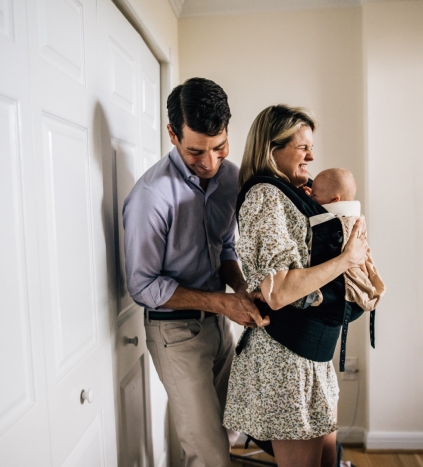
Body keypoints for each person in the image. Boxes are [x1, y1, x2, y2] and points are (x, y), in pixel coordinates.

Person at [122, 77, 267, 467]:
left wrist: (241, 289)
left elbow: (226, 246)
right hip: (174, 335)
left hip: (219, 327)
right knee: (210, 456)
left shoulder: (230, 179)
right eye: (195, 152)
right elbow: (142, 285)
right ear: (172, 134)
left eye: (219, 147)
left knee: (227, 434)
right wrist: (222, 301)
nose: (210, 163)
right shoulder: (150, 199)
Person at [223, 105, 370, 467]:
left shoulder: (292, 194)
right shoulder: (264, 196)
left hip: (309, 355)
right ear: (272, 149)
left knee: (326, 460)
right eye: (302, 147)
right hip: (286, 359)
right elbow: (278, 291)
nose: (312, 155)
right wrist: (346, 260)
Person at [307, 168, 385, 312]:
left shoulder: (339, 224)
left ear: (335, 200)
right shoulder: (352, 212)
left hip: (340, 288)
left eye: (313, 195)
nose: (310, 196)